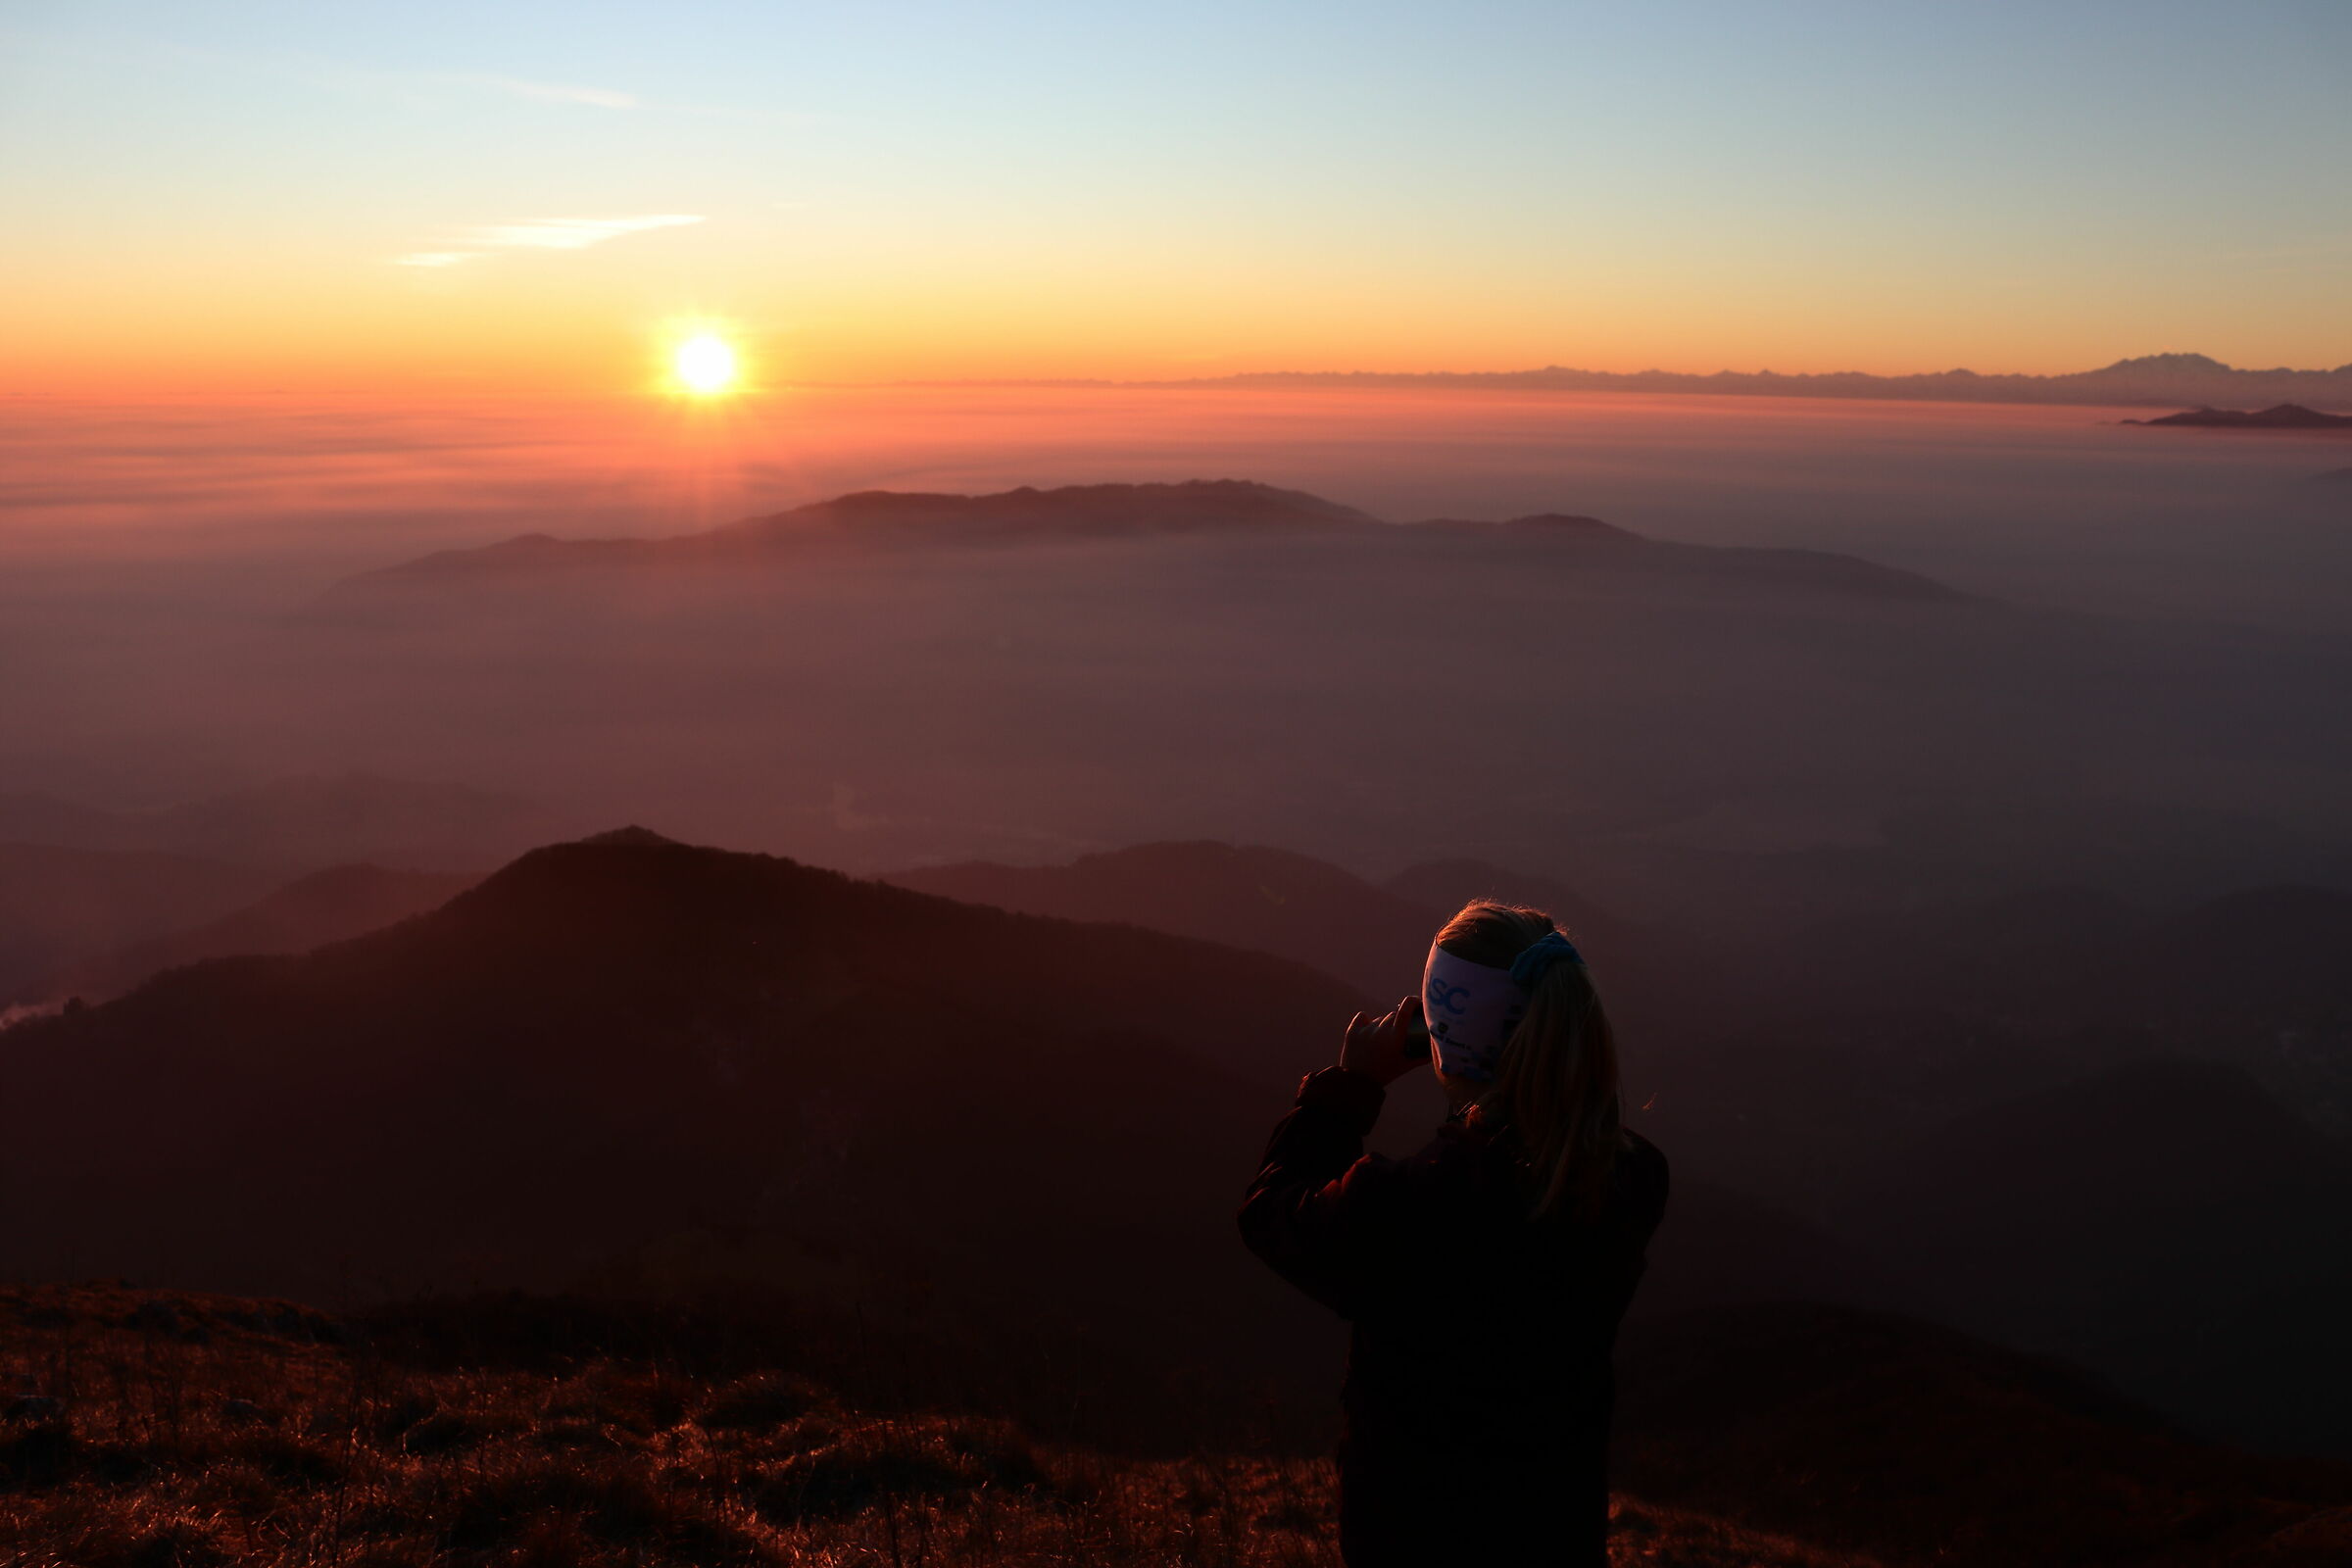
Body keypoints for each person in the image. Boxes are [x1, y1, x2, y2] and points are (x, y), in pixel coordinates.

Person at [1238, 900, 1668, 1568]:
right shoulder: (1630, 1178)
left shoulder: (1412, 1203)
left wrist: (1350, 1087)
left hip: (1417, 1536)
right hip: (1557, 1531)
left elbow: (1272, 1215)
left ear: (1441, 1037)